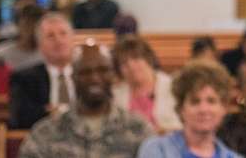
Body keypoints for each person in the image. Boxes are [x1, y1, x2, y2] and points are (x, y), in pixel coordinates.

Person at [19, 44, 153, 158]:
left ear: (112, 75)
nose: (95, 78)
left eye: (103, 70)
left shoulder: (138, 129)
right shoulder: (46, 133)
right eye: (85, 72)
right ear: (73, 78)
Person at [137, 64, 242, 158]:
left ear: (223, 108)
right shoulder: (156, 149)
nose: (203, 109)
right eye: (195, 102)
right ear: (181, 108)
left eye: (211, 101)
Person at [9, 12, 76, 129]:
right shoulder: (24, 78)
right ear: (40, 45)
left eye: (63, 34)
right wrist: (51, 113)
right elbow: (20, 118)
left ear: (72, 39)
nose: (58, 40)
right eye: (50, 36)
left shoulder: (88, 74)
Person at [112, 35, 181, 132]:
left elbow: (184, 126)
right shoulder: (116, 95)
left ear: (148, 59)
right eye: (124, 63)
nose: (131, 66)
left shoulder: (173, 87)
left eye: (136, 58)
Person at [0, 4, 44, 72]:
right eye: (27, 25)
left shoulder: (50, 54)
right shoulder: (2, 54)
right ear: (18, 26)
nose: (32, 30)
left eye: (36, 26)